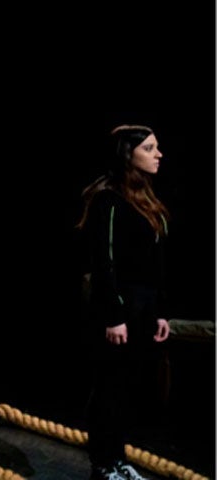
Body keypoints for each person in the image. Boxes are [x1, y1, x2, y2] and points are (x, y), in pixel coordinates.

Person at [77, 125, 170, 480]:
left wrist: (160, 310)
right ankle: (103, 463)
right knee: (109, 387)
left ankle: (118, 459)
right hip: (120, 305)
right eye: (149, 148)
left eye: (157, 147)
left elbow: (157, 262)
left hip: (144, 305)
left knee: (129, 386)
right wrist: (114, 315)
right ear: (127, 154)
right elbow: (106, 261)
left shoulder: (146, 198)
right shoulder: (109, 198)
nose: (158, 154)